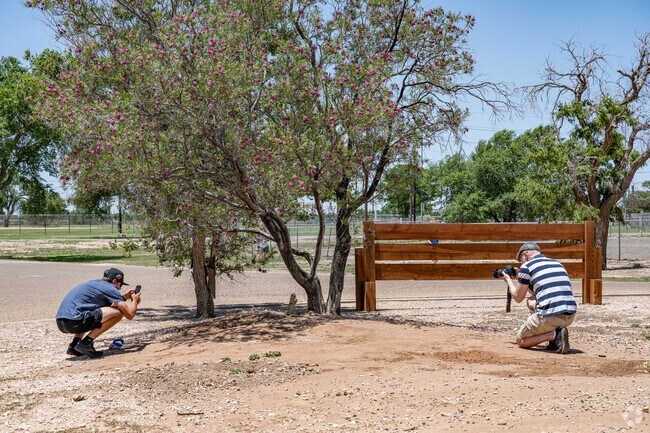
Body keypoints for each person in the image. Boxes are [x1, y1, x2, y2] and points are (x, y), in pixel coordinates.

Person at [501, 241, 577, 354]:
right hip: (570, 316)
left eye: (520, 259)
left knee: (521, 340)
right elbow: (539, 292)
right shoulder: (557, 263)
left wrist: (509, 280)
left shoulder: (526, 266)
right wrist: (521, 278)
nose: (521, 263)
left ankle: (554, 335)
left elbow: (517, 298)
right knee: (531, 301)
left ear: (525, 254)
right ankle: (556, 338)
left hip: (550, 317)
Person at [55, 268, 141, 358]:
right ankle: (85, 344)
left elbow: (103, 307)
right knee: (118, 313)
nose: (119, 288)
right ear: (115, 281)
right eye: (120, 285)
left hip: (62, 323)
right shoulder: (110, 288)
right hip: (75, 322)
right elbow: (130, 315)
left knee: (89, 312)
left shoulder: (94, 284)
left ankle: (74, 346)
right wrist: (135, 301)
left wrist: (123, 297)